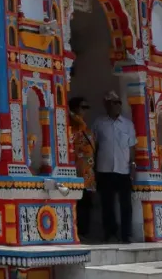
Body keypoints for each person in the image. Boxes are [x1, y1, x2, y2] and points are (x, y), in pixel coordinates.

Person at [92, 90, 138, 243]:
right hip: (104, 168)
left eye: (119, 102)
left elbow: (131, 146)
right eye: (114, 103)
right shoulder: (99, 124)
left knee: (126, 204)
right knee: (107, 203)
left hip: (123, 169)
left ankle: (126, 234)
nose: (117, 106)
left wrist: (132, 164)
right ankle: (110, 233)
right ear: (107, 105)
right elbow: (94, 145)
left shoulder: (127, 124)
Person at [68, 96, 96, 241]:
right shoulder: (73, 127)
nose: (85, 111)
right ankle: (78, 232)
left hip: (88, 173)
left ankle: (85, 232)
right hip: (76, 171)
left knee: (87, 204)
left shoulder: (84, 127)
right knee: (79, 204)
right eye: (82, 107)